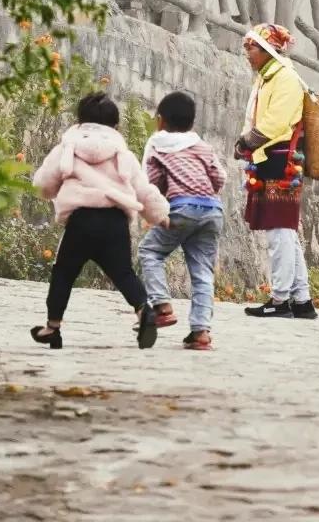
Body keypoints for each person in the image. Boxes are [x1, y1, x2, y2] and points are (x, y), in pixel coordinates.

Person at [30, 89, 170, 350]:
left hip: (81, 221)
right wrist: (161, 215)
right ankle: (143, 310)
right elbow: (144, 189)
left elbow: (42, 184)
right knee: (124, 273)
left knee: (63, 273)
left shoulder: (68, 148)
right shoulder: (122, 155)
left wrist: (51, 192)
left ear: (79, 120)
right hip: (114, 221)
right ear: (115, 125)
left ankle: (53, 327)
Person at [235, 23, 318, 320]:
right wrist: (246, 143)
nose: (247, 53)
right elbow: (257, 118)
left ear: (268, 49)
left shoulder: (285, 78)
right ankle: (302, 299)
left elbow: (276, 122)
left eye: (252, 47)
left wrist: (246, 141)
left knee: (280, 230)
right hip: (271, 156)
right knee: (285, 231)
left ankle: (280, 299)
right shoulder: (267, 78)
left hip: (282, 159)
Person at [138, 91, 227, 351]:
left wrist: (159, 208)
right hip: (212, 210)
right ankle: (200, 333)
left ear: (161, 121)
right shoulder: (202, 146)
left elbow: (151, 183)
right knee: (202, 273)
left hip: (182, 208)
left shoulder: (158, 144)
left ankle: (162, 306)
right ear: (191, 122)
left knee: (150, 251)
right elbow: (219, 179)